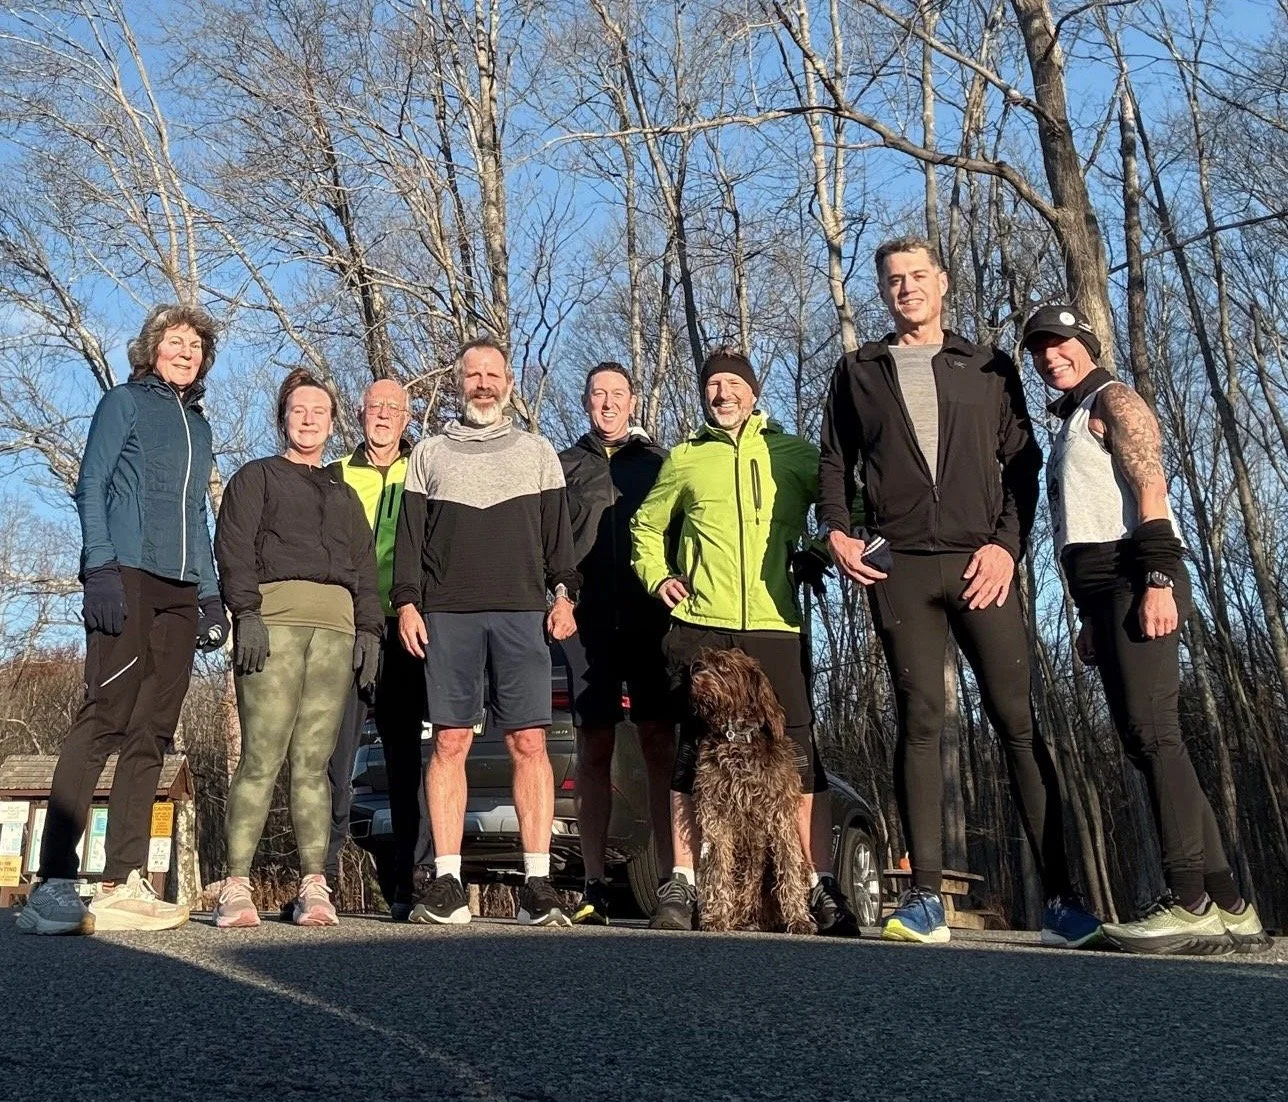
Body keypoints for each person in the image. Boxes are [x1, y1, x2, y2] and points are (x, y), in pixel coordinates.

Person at [817, 236, 1101, 947]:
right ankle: (923, 902)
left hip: (981, 565)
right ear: (881, 292)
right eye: (893, 280)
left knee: (1016, 721)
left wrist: (1006, 548)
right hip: (901, 566)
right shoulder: (858, 371)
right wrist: (838, 533)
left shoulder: (988, 366)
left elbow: (1023, 466)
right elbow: (833, 462)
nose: (906, 288)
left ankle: (1063, 903)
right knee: (920, 717)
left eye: (918, 276)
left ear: (942, 283)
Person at [1021, 303, 1270, 955]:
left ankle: (1186, 900)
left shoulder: (1114, 397)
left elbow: (1149, 483)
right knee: (1147, 741)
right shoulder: (1073, 415)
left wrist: (1158, 579)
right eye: (1040, 350)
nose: (1051, 357)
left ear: (1087, 344)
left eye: (1061, 344)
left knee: (1155, 735)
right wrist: (1086, 618)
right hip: (1105, 594)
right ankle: (1232, 904)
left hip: (1140, 574)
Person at [632, 348, 859, 936]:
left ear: (754, 393)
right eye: (712, 385)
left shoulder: (793, 455)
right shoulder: (685, 458)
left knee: (801, 755)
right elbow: (645, 526)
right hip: (702, 623)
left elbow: (849, 506)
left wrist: (815, 549)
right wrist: (658, 577)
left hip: (775, 622)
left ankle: (816, 885)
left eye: (733, 383)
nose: (722, 393)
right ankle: (682, 882)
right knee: (692, 756)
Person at [18, 305, 226, 936]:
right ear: (152, 348)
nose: (185, 352)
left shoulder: (200, 427)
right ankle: (54, 882)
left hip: (181, 589)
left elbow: (197, 514)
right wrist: (100, 568)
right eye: (175, 341)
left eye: (196, 345)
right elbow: (90, 483)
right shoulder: (124, 403)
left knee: (153, 731)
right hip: (127, 575)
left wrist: (212, 596)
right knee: (104, 716)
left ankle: (123, 881)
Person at [392, 336, 579, 927]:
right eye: (471, 375)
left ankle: (538, 885)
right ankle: (448, 882)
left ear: (508, 383)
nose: (482, 384)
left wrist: (564, 596)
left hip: (525, 614)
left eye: (491, 374)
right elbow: (409, 544)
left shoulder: (538, 453)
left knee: (530, 744)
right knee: (449, 744)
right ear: (458, 384)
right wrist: (406, 605)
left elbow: (560, 543)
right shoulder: (429, 454)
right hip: (447, 616)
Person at [212, 368, 382, 929]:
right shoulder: (256, 477)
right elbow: (233, 548)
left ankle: (314, 884)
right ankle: (236, 884)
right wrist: (248, 613)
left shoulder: (344, 492)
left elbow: (363, 568)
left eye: (320, 412)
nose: (309, 419)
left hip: (334, 634)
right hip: (274, 627)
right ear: (283, 416)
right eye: (299, 410)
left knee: (315, 765)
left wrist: (369, 630)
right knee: (262, 756)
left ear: (333, 423)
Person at [557, 362, 675, 925]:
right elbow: (550, 545)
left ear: (633, 401)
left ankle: (677, 878)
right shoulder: (564, 467)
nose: (607, 403)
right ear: (586, 401)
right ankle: (594, 883)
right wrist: (558, 597)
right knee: (594, 749)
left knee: (659, 745)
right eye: (597, 393)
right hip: (588, 623)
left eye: (617, 394)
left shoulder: (659, 463)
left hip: (653, 619)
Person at [324, 379, 427, 921]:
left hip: (405, 628)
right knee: (333, 758)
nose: (383, 415)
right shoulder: (335, 476)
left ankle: (408, 884)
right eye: (374, 407)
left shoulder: (424, 468)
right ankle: (320, 879)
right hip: (347, 627)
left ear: (408, 417)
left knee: (405, 759)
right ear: (359, 415)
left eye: (394, 408)